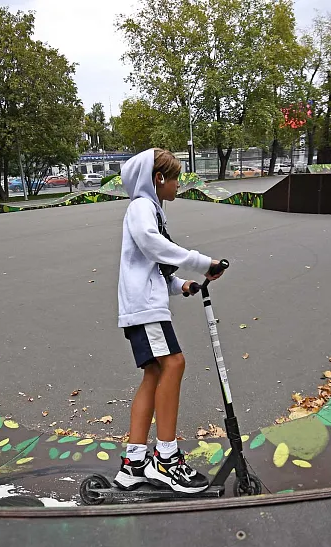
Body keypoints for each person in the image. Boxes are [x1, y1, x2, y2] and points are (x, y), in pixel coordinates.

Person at [113, 148, 224, 494]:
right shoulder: (142, 206)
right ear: (158, 179)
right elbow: (151, 245)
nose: (179, 184)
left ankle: (133, 463)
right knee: (174, 363)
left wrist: (181, 285)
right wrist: (203, 263)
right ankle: (166, 460)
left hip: (143, 306)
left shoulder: (152, 209)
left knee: (155, 373)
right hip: (145, 309)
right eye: (176, 177)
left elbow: (152, 265)